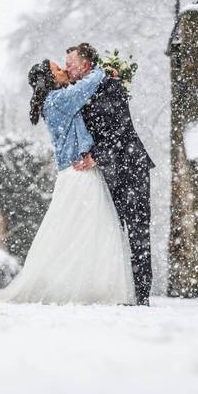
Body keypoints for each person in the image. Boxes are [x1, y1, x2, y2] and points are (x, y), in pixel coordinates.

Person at [0, 59, 135, 305]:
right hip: (77, 173)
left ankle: (92, 286)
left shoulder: (55, 99)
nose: (64, 71)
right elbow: (84, 89)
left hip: (79, 171)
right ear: (49, 79)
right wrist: (102, 69)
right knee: (88, 228)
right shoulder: (57, 101)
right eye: (58, 70)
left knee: (88, 229)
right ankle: (82, 287)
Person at [66, 43, 155, 306]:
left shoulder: (111, 86)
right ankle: (117, 289)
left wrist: (96, 155)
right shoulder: (78, 93)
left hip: (131, 167)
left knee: (138, 231)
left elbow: (121, 129)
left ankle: (141, 296)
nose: (67, 67)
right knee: (111, 232)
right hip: (107, 175)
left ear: (85, 65)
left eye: (70, 62)